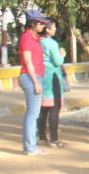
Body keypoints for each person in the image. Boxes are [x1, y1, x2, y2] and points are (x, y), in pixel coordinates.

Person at [17, 10, 50, 156]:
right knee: (32, 114)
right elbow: (27, 61)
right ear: (32, 24)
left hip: (35, 76)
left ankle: (30, 146)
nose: (42, 25)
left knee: (32, 114)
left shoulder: (35, 38)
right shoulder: (26, 38)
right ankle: (30, 147)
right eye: (40, 23)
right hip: (31, 77)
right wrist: (36, 82)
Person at [37, 20, 67, 149]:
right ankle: (54, 139)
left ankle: (42, 137)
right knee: (55, 107)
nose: (55, 29)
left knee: (43, 108)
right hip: (53, 76)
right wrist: (62, 55)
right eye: (53, 27)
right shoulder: (51, 43)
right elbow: (57, 61)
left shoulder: (38, 41)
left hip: (42, 76)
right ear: (47, 29)